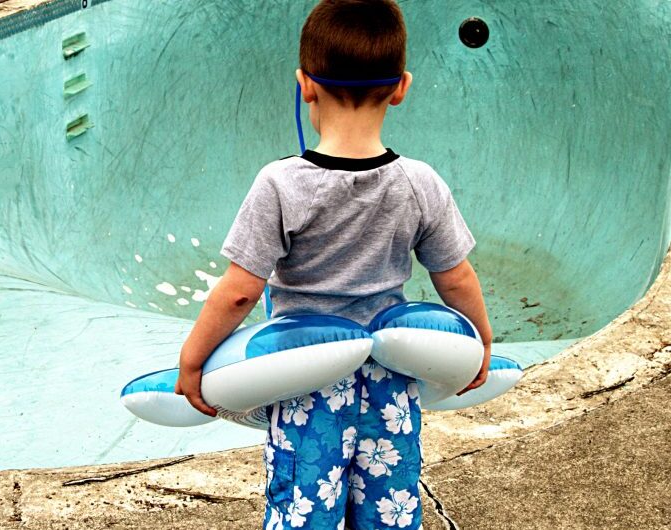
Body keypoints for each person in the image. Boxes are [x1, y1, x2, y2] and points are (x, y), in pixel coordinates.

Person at [173, 1, 493, 528]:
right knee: (390, 505)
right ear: (401, 88)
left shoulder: (280, 185)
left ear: (305, 85)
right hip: (390, 380)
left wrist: (193, 359)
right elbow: (454, 276)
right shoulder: (420, 183)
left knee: (304, 510)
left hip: (306, 380)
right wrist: (479, 343)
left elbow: (239, 292)